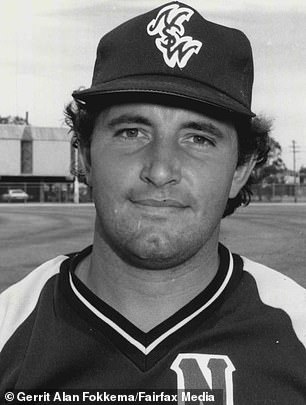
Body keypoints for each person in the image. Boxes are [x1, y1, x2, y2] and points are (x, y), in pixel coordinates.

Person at [0, 2, 305, 404]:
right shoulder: (8, 327)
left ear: (241, 170)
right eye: (131, 132)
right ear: (85, 156)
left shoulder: (297, 330)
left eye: (199, 138)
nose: (161, 170)